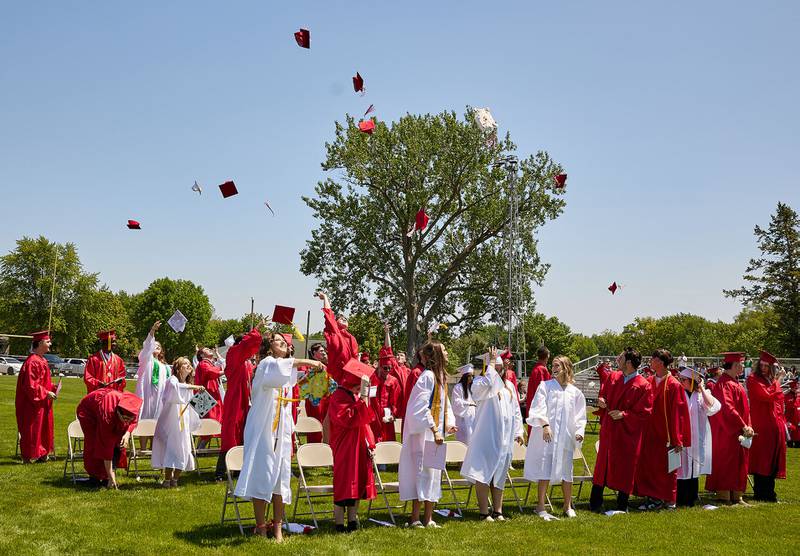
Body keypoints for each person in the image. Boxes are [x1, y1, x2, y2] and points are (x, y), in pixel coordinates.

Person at [235, 333, 323, 541]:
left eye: (285, 341)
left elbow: (292, 381)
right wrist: (310, 361)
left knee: (281, 478)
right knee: (262, 474)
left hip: (280, 431)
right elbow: (284, 369)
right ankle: (260, 527)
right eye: (277, 340)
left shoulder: (282, 369)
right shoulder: (267, 364)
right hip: (263, 431)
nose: (283, 342)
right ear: (268, 346)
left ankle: (277, 528)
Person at [461, 348, 524, 522]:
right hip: (486, 436)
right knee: (483, 472)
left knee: (500, 474)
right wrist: (490, 362)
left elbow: (516, 410)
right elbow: (490, 383)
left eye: (499, 367)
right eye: (494, 367)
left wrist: (519, 431)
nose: (497, 370)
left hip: (504, 437)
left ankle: (498, 511)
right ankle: (483, 512)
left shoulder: (509, 386)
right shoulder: (480, 383)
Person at [398, 341, 457, 528]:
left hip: (437, 434)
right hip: (424, 434)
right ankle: (415, 518)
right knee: (420, 473)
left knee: (433, 474)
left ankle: (429, 518)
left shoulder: (440, 378)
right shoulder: (427, 377)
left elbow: (445, 404)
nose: (447, 353)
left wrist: (449, 424)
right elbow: (419, 407)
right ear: (436, 355)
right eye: (445, 350)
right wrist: (433, 428)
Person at [589, 347, 653, 514]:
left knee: (626, 466)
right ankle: (595, 502)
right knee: (603, 464)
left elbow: (645, 412)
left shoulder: (643, 385)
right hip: (610, 430)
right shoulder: (613, 377)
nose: (617, 359)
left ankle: (621, 504)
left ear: (629, 363)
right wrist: (602, 400)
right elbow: (604, 395)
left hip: (628, 433)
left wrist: (624, 415)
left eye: (621, 357)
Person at [524, 355, 587, 520]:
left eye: (557, 365)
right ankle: (540, 506)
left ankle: (567, 506)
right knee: (545, 468)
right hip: (548, 436)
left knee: (567, 471)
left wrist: (579, 431)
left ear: (566, 368)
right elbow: (538, 407)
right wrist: (545, 425)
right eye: (552, 365)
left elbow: (580, 415)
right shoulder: (545, 386)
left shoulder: (575, 392)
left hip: (565, 437)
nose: (554, 368)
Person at [635, 349, 691, 511]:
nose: (650, 362)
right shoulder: (649, 381)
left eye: (653, 359)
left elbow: (678, 414)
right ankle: (652, 497)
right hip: (649, 433)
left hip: (666, 434)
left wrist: (677, 438)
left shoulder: (673, 385)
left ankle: (666, 499)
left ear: (660, 362)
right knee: (650, 467)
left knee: (667, 468)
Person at [328, 358, 377, 532]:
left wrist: (370, 444)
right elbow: (348, 419)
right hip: (345, 446)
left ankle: (353, 520)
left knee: (357, 481)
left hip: (358, 444)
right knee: (344, 482)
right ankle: (340, 523)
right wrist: (362, 399)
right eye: (358, 386)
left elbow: (365, 421)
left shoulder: (352, 395)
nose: (359, 390)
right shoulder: (338, 396)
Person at [216, 322, 265, 480]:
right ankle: (221, 471)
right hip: (235, 399)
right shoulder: (233, 355)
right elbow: (247, 344)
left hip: (246, 400)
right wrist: (255, 329)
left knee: (243, 431)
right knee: (231, 431)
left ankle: (238, 469)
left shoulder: (246, 362)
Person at [706, 352, 752, 505]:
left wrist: (748, 425)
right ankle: (724, 495)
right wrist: (743, 425)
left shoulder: (736, 382)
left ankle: (737, 496)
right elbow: (728, 408)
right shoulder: (724, 383)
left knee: (739, 462)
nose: (742, 367)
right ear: (732, 366)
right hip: (726, 431)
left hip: (739, 429)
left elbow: (746, 409)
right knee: (726, 462)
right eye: (740, 364)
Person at [151, 357, 206, 487]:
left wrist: (202, 403)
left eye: (189, 364)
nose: (188, 366)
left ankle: (175, 479)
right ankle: (167, 479)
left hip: (184, 421)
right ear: (178, 367)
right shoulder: (172, 380)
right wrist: (193, 386)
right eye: (185, 364)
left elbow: (192, 403)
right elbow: (176, 389)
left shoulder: (189, 385)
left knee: (184, 449)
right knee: (172, 449)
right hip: (172, 421)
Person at [76, 389, 142, 488]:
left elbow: (133, 421)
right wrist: (111, 477)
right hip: (88, 414)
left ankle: (107, 476)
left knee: (118, 443)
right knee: (95, 443)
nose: (127, 422)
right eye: (125, 419)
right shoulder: (107, 415)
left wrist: (127, 433)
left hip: (110, 413)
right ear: (119, 413)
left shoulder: (130, 407)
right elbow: (106, 446)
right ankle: (96, 477)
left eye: (130, 419)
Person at [675, 367, 720, 507]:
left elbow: (713, 407)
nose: (680, 382)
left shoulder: (701, 395)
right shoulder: (678, 393)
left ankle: (692, 497)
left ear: (692, 381)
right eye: (680, 379)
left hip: (697, 437)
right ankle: (680, 498)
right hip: (682, 437)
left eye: (684, 380)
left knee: (694, 467)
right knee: (681, 467)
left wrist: (701, 387)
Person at [747, 350, 787, 502]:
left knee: (772, 460)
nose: (763, 368)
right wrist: (779, 379)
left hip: (774, 425)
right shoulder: (753, 379)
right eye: (761, 365)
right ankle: (762, 493)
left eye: (767, 366)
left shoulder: (769, 380)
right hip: (762, 425)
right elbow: (767, 396)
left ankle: (769, 493)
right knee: (762, 460)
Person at [15, 330, 56, 463]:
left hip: (41, 402)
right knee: (32, 429)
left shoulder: (41, 360)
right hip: (31, 405)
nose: (50, 343)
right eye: (48, 341)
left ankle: (43, 453)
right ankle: (28, 456)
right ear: (39, 343)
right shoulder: (33, 362)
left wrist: (52, 387)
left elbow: (41, 382)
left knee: (43, 428)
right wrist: (46, 392)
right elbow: (31, 386)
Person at [135, 321, 169, 425]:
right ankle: (143, 441)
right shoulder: (147, 359)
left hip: (161, 395)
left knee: (158, 422)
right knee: (146, 418)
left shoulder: (165, 366)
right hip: (149, 393)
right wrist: (153, 330)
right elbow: (148, 345)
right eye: (154, 344)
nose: (156, 346)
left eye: (159, 345)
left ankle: (154, 441)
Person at [302, 342, 333, 443]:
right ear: (314, 353)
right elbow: (303, 385)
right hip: (314, 402)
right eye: (321, 351)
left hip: (326, 400)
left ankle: (325, 446)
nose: (324, 353)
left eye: (324, 351)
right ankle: (313, 446)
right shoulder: (308, 367)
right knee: (315, 425)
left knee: (326, 425)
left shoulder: (326, 366)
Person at [373, 349, 402, 442]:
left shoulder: (393, 381)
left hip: (387, 417)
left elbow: (397, 400)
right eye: (385, 368)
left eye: (390, 368)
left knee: (387, 441)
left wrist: (393, 415)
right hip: (374, 416)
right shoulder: (372, 379)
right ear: (380, 367)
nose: (388, 370)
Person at [194, 345, 225, 426]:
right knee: (209, 424)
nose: (209, 349)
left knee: (212, 424)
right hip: (206, 397)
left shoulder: (208, 363)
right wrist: (228, 370)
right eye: (206, 349)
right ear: (202, 355)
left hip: (208, 396)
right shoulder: (203, 363)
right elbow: (211, 372)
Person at [525, 346, 551, 436]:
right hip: (538, 405)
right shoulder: (541, 370)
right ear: (547, 356)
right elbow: (544, 389)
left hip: (532, 403)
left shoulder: (536, 369)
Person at [451, 364, 476, 445]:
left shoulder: (472, 387)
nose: (471, 378)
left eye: (472, 376)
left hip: (472, 417)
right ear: (464, 377)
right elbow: (456, 401)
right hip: (463, 418)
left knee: (473, 440)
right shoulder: (458, 387)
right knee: (464, 440)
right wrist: (469, 404)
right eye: (469, 376)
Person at [785, 380, 800, 448]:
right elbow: (789, 406)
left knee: (798, 436)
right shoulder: (787, 395)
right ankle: (790, 445)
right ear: (791, 388)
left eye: (796, 388)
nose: (795, 389)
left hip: (797, 419)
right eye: (794, 388)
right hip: (790, 419)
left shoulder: (798, 396)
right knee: (790, 436)